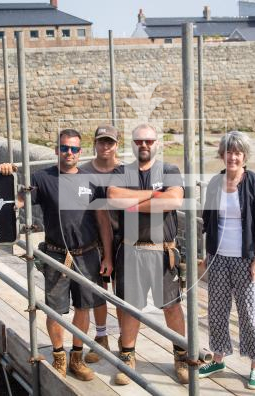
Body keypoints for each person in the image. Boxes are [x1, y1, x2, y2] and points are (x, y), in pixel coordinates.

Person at [0, 129, 113, 381]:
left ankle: (76, 358)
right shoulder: (42, 177)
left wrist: (108, 256)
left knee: (84, 308)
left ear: (81, 152)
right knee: (55, 310)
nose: (68, 153)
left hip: (88, 254)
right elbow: (18, 201)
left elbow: (103, 219)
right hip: (57, 256)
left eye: (73, 149)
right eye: (64, 148)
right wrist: (6, 174)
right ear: (56, 150)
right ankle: (59, 356)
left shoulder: (91, 179)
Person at [106, 123, 188, 385]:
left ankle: (182, 355)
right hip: (130, 250)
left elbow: (173, 200)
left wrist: (133, 203)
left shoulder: (170, 170)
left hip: (163, 252)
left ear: (157, 143)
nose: (144, 145)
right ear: (133, 143)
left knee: (172, 307)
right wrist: (154, 195)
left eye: (149, 141)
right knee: (131, 308)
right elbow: (114, 198)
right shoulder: (120, 171)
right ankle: (128, 357)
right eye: (139, 141)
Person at [198, 131, 255, 390]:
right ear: (222, 155)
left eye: (237, 152)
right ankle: (218, 358)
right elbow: (207, 222)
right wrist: (205, 256)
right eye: (228, 152)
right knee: (217, 311)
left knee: (249, 313)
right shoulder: (215, 183)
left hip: (247, 259)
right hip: (218, 258)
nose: (233, 156)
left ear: (244, 156)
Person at [77, 125, 122, 363]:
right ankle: (102, 336)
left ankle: (126, 343)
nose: (105, 146)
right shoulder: (82, 172)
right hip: (93, 240)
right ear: (94, 143)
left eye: (110, 142)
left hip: (123, 238)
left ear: (117, 144)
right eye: (101, 141)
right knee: (97, 291)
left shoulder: (126, 171)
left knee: (124, 293)